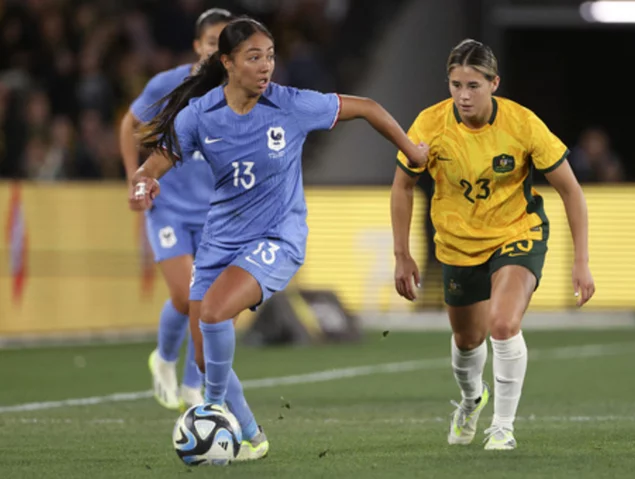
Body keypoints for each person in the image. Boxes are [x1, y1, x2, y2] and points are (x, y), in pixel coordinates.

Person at [130, 16, 428, 458]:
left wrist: (412, 149)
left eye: (269, 56)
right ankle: (252, 436)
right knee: (200, 353)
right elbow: (158, 160)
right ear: (227, 62)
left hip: (277, 236)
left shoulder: (290, 105)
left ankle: (213, 412)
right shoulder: (201, 114)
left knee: (213, 315)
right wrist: (144, 181)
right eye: (254, 58)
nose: (266, 66)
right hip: (220, 239)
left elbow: (366, 106)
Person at [391, 39, 595, 450]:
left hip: (517, 233)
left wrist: (582, 262)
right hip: (456, 245)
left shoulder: (522, 125)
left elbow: (571, 191)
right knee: (468, 340)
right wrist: (402, 254)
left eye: (473, 85)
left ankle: (503, 428)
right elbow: (403, 186)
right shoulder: (430, 125)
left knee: (502, 324)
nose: (463, 96)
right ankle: (471, 400)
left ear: (494, 83)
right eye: (455, 85)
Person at [119, 8, 232, 412]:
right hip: (168, 207)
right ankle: (164, 358)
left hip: (215, 214)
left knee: (210, 302)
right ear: (197, 46)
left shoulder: (237, 93)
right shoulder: (167, 84)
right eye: (213, 43)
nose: (219, 51)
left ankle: (191, 384)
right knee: (187, 297)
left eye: (227, 45)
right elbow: (128, 125)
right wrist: (136, 178)